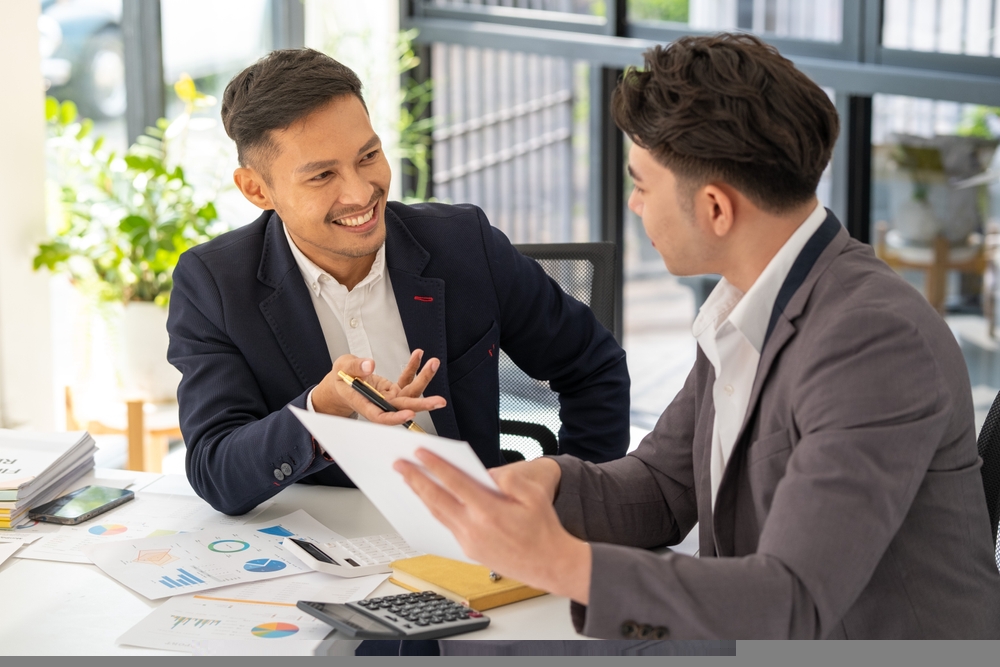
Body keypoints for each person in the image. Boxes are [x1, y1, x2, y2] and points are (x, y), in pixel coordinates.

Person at [395, 33, 1000, 639]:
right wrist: (551, 481)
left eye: (641, 184)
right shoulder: (753, 299)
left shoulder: (872, 343)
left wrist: (558, 560)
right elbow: (665, 485)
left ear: (715, 208)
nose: (633, 206)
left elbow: (790, 599)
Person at [165, 48, 630, 519]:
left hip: (473, 539)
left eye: (368, 156)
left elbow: (593, 367)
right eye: (323, 175)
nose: (361, 192)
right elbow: (215, 470)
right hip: (321, 549)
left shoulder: (464, 244)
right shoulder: (213, 285)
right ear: (256, 190)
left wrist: (574, 513)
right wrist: (321, 410)